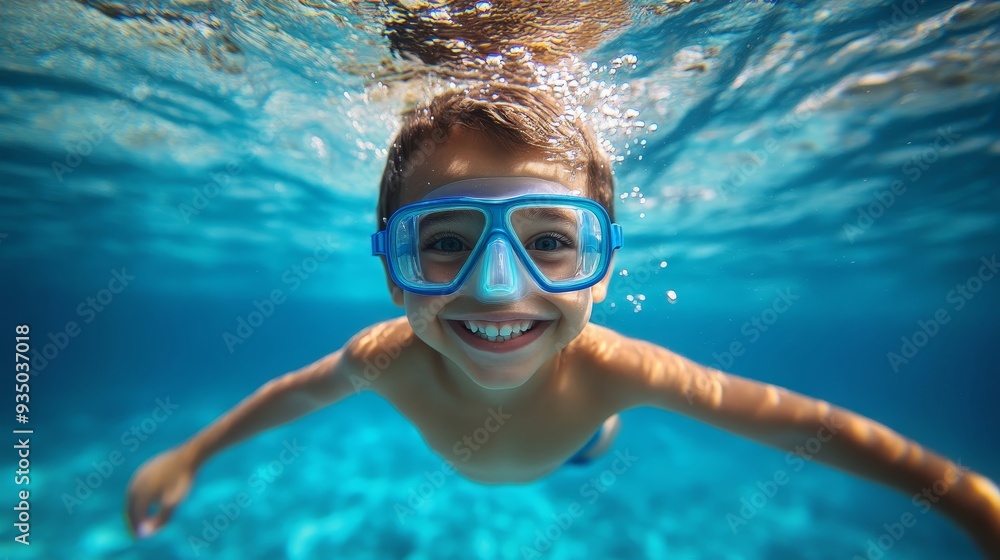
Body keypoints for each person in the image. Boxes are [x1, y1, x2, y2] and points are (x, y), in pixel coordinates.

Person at [125, 83, 1000, 557]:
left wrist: (964, 498)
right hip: (517, 437)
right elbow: (287, 397)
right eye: (444, 244)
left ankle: (593, 436)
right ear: (392, 270)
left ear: (604, 268)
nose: (499, 289)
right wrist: (189, 454)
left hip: (584, 429)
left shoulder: (625, 369)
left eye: (551, 242)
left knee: (598, 434)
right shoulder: (383, 357)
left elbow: (797, 421)